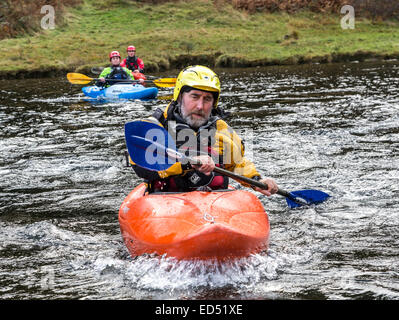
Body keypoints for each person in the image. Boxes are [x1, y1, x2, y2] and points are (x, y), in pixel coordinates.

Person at [130, 65, 278, 197]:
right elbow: (140, 166)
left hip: (214, 199)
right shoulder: (156, 125)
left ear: (213, 103)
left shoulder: (221, 128)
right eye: (194, 96)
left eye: (207, 99)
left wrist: (257, 180)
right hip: (166, 200)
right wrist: (188, 163)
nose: (200, 106)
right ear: (180, 96)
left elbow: (237, 162)